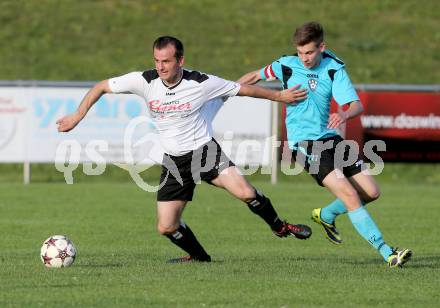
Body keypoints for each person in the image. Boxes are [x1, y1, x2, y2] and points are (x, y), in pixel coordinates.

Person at [57, 36, 312, 263]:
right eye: (157, 60)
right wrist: (77, 116)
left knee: (246, 192)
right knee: (166, 226)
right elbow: (102, 86)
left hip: (204, 153)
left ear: (180, 60)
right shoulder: (145, 80)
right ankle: (199, 257)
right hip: (174, 163)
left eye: (166, 61)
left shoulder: (200, 82)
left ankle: (279, 226)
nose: (160, 67)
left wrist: (279, 97)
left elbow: (242, 90)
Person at [238, 22, 412, 268]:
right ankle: (388, 252)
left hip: (330, 138)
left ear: (322, 47)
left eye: (309, 52)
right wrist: (227, 90)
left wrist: (343, 115)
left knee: (371, 192)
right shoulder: (286, 65)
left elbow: (356, 105)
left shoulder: (333, 67)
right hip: (304, 144)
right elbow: (255, 76)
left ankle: (327, 214)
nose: (304, 58)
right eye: (300, 53)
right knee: (350, 194)